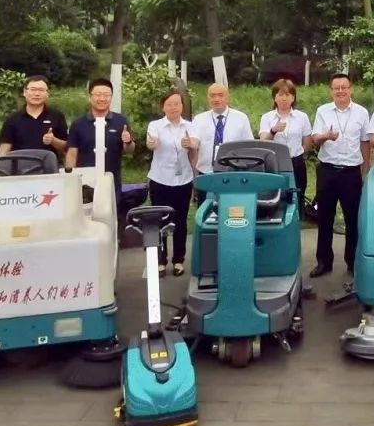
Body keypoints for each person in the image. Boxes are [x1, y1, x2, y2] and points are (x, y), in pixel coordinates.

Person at [310, 73, 370, 278]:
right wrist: (326, 136)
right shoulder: (323, 111)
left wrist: (364, 169)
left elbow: (365, 142)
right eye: (337, 88)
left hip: (351, 172)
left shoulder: (361, 112)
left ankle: (353, 262)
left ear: (351, 89)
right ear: (331, 91)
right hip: (327, 170)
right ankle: (323, 262)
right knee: (324, 218)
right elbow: (315, 139)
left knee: (353, 219)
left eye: (344, 87)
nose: (341, 91)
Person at [146, 89, 199, 277]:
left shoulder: (190, 126)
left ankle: (178, 260)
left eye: (177, 104)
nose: (173, 107)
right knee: (159, 220)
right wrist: (152, 143)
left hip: (183, 180)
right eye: (169, 104)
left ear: (182, 106)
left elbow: (196, 143)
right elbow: (151, 142)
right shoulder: (156, 125)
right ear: (163, 107)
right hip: (160, 179)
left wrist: (191, 144)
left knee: (180, 221)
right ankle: (160, 261)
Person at [65, 78, 135, 198]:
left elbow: (129, 150)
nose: (102, 99)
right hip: (84, 181)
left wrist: (128, 141)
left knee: (111, 208)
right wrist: (69, 178)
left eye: (106, 95)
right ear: (90, 97)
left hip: (112, 180)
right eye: (98, 94)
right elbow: (72, 152)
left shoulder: (121, 121)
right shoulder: (78, 124)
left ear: (111, 97)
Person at [191, 82, 254, 203]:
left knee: (231, 208)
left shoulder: (241, 118)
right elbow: (194, 143)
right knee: (206, 207)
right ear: (208, 98)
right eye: (212, 95)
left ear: (228, 96)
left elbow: (249, 146)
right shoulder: (199, 119)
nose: (216, 99)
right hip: (206, 172)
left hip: (233, 173)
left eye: (220, 95)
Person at [258, 78, 313, 204]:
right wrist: (273, 131)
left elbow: (307, 142)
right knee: (275, 196)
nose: (284, 99)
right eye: (280, 95)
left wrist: (299, 154)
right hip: (274, 162)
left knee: (298, 196)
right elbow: (263, 141)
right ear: (274, 97)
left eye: (287, 95)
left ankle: (298, 216)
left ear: (293, 98)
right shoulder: (267, 117)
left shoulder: (302, 117)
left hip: (296, 162)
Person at [0, 75, 68, 157]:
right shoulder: (12, 118)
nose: (37, 94)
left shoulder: (57, 116)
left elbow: (67, 148)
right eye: (33, 90)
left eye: (41, 90)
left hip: (48, 164)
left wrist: (53, 141)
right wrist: (2, 163)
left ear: (47, 93)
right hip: (20, 163)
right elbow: (4, 150)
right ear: (24, 92)